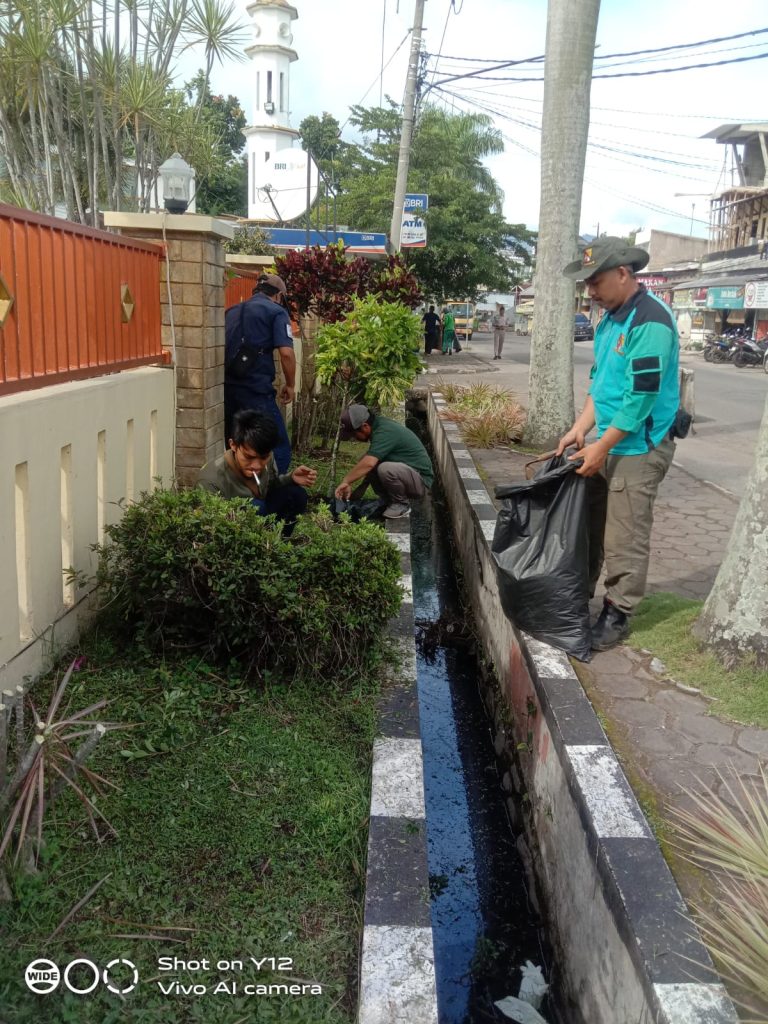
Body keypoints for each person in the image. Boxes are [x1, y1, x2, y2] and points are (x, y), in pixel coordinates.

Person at [557, 236, 680, 652]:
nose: (590, 290)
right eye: (586, 282)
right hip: (607, 442)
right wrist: (580, 429)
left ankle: (618, 612)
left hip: (638, 447)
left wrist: (601, 446)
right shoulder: (609, 319)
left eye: (596, 280)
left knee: (623, 535)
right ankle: (580, 596)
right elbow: (602, 384)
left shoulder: (649, 321)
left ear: (624, 274)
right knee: (589, 526)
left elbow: (640, 398)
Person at [198, 409, 316, 535]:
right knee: (256, 507)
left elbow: (270, 485)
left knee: (296, 494)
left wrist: (290, 478)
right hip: (232, 530)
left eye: (264, 457)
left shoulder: (268, 457)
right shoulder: (211, 480)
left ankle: (280, 544)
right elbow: (207, 526)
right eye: (249, 457)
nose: (256, 465)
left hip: (262, 512)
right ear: (233, 445)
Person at [225, 273, 295, 473]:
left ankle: (239, 497)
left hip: (227, 393)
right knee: (279, 447)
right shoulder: (276, 312)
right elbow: (287, 354)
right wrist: (290, 385)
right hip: (256, 393)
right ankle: (269, 492)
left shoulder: (231, 311)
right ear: (280, 296)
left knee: (237, 447)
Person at [334, 404, 433, 519]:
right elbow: (366, 463)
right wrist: (355, 493)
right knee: (366, 461)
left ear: (365, 426)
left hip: (421, 481)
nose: (354, 438)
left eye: (354, 434)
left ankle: (401, 505)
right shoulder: (378, 426)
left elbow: (369, 463)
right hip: (409, 475)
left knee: (384, 468)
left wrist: (346, 481)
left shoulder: (385, 431)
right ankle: (388, 500)